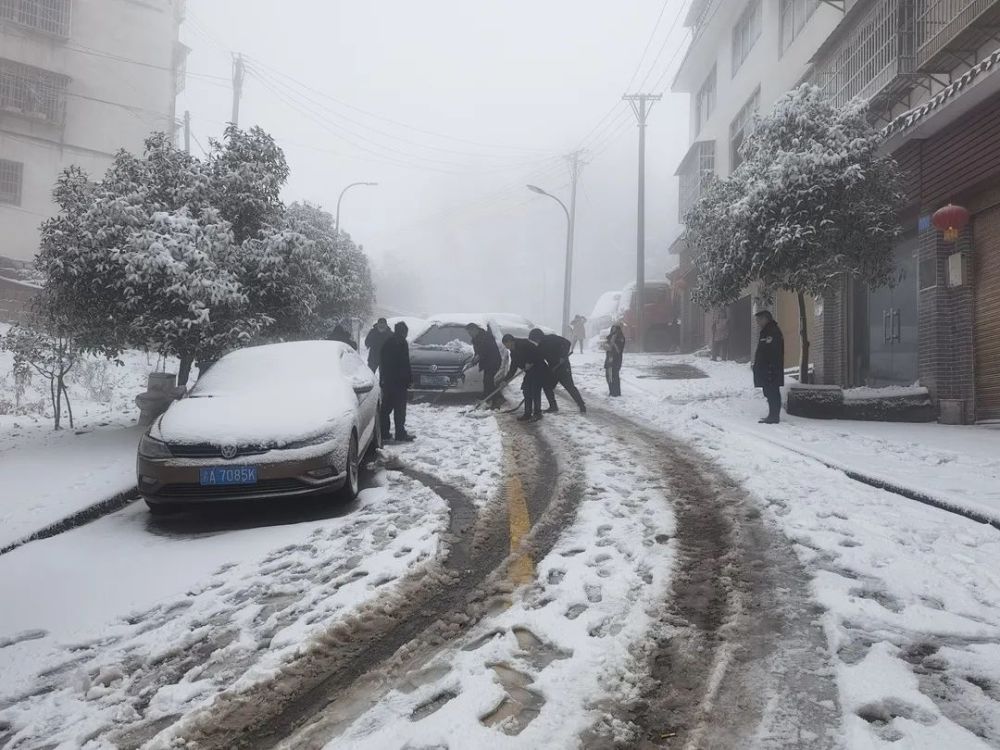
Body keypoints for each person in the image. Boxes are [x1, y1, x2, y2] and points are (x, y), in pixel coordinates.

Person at [529, 328, 586, 413]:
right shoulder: (540, 347)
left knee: (569, 387)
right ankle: (553, 406)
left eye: (535, 340)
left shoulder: (552, 338)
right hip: (553, 369)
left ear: (538, 337)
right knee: (547, 386)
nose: (536, 342)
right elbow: (539, 358)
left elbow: (567, 343)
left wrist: (563, 356)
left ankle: (581, 405)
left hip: (563, 367)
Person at [379, 321, 415, 441]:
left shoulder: (388, 342)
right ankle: (400, 433)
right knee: (399, 410)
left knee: (386, 408)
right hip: (399, 382)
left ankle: (384, 432)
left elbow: (382, 363)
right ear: (403, 332)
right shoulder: (401, 343)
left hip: (390, 382)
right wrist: (409, 379)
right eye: (405, 332)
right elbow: (405, 364)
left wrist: (383, 379)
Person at [502, 333, 549, 422]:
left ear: (511, 341)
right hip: (530, 372)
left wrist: (529, 361)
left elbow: (538, 353)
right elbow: (513, 368)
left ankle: (537, 413)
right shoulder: (513, 352)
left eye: (506, 345)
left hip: (539, 369)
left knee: (535, 391)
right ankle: (527, 413)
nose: (506, 347)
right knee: (526, 390)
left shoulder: (524, 344)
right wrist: (505, 380)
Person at [752, 310, 785, 424]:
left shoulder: (772, 331)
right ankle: (772, 415)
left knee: (772, 392)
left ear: (766, 318)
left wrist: (770, 367)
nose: (757, 322)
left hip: (771, 369)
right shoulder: (766, 332)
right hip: (766, 369)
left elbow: (773, 351)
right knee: (768, 392)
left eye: (759, 320)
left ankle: (774, 416)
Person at [466, 322, 503, 409]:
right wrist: (473, 362)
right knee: (486, 381)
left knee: (488, 380)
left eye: (470, 332)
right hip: (486, 362)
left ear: (475, 330)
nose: (469, 334)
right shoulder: (475, 339)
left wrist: (476, 359)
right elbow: (477, 353)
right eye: (468, 332)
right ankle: (488, 397)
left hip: (494, 361)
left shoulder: (486, 337)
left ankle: (496, 399)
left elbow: (484, 351)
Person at [605, 323, 625, 397]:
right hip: (609, 358)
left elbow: (618, 350)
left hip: (616, 359)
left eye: (615, 330)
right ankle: (612, 391)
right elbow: (606, 347)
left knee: (614, 375)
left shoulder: (620, 338)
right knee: (609, 376)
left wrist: (613, 343)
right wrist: (608, 344)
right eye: (612, 329)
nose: (613, 331)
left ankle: (615, 392)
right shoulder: (610, 337)